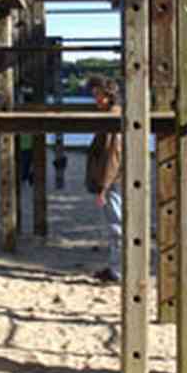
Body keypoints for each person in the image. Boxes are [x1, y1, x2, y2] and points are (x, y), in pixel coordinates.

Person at [83, 76, 123, 283]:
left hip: (114, 180)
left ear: (109, 95)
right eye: (94, 95)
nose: (96, 99)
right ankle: (116, 267)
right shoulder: (111, 115)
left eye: (98, 95)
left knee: (116, 225)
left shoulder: (112, 118)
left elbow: (112, 155)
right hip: (115, 179)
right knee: (115, 223)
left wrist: (103, 187)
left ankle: (118, 270)